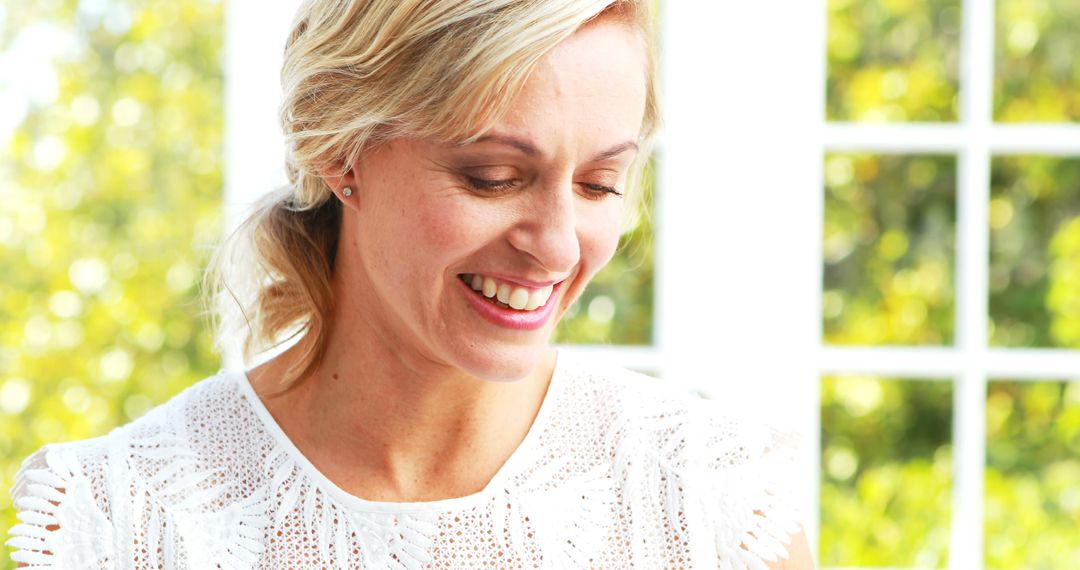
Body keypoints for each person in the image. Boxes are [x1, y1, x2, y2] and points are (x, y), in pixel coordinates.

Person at [7, 0, 814, 567]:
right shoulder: (119, 516)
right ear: (342, 150)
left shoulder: (711, 500)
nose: (558, 246)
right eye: (494, 177)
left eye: (600, 184)